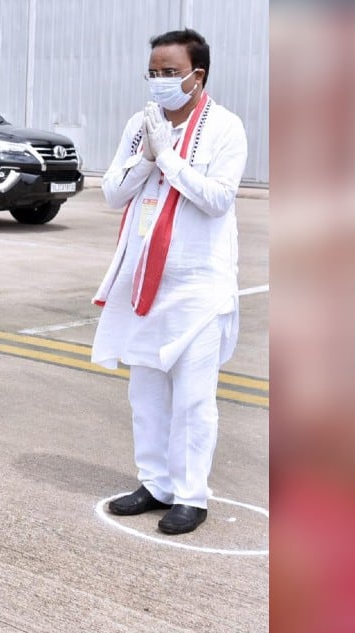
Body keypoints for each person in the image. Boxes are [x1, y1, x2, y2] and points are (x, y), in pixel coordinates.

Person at [93, 29, 248, 535]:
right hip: (145, 284)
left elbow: (218, 198)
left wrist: (173, 159)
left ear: (196, 75)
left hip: (199, 289)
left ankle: (191, 495)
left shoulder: (226, 127)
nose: (159, 81)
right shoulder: (142, 127)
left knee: (194, 398)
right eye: (153, 73)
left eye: (169, 72)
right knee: (146, 392)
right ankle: (155, 482)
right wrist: (148, 156)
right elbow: (113, 193)